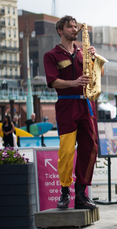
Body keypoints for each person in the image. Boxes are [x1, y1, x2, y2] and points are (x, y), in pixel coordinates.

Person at [43, 15, 102, 210]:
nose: (74, 29)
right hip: (67, 105)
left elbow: (97, 74)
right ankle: (65, 191)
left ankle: (81, 193)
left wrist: (93, 59)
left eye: (76, 26)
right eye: (70, 26)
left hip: (87, 105)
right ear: (60, 30)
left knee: (90, 147)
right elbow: (53, 81)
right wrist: (74, 83)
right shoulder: (51, 55)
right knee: (67, 150)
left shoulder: (83, 53)